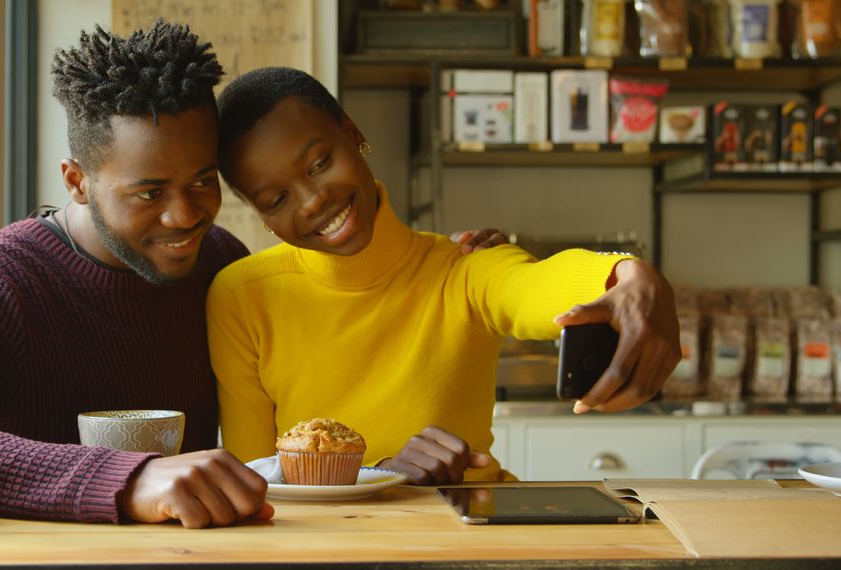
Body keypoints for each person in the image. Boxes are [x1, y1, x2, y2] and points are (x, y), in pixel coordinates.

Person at [0, 23, 503, 527]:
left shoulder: (222, 264)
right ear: (77, 179)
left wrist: (435, 264)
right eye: (149, 192)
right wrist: (126, 479)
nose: (185, 217)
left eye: (203, 181)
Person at [207, 67, 681, 485]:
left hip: (469, 540)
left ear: (353, 134)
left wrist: (626, 273)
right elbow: (258, 482)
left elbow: (531, 287)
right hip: (333, 551)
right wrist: (381, 478)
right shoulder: (242, 297)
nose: (311, 201)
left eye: (319, 163)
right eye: (276, 200)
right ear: (260, 216)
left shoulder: (463, 268)